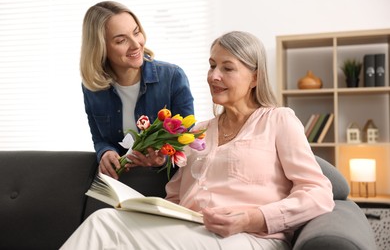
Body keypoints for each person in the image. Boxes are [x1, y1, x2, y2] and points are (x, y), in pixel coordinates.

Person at [61, 31, 335, 249]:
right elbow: (177, 195)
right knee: (103, 220)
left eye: (228, 68)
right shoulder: (197, 132)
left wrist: (253, 218)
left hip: (250, 238)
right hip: (190, 231)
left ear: (255, 77)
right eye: (212, 65)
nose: (214, 76)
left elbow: (318, 192)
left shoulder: (278, 120)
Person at [80, 1, 194, 179]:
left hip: (162, 182)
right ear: (101, 47)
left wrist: (162, 160)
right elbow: (100, 139)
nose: (136, 44)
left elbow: (187, 140)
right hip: (121, 183)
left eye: (136, 32)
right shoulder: (93, 87)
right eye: (121, 40)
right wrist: (105, 152)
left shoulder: (173, 77)